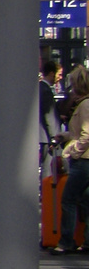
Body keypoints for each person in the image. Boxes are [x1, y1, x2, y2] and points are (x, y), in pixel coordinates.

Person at [52, 65, 89, 255]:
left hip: (83, 160)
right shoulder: (83, 104)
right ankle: (86, 242)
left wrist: (71, 151)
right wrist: (66, 136)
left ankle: (66, 241)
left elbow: (86, 135)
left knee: (68, 199)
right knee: (84, 199)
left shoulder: (85, 105)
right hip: (84, 158)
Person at [41, 59, 62, 163]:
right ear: (51, 73)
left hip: (42, 135)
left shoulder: (40, 88)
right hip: (45, 136)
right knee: (47, 167)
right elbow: (48, 115)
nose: (60, 77)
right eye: (59, 74)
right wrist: (54, 137)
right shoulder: (46, 91)